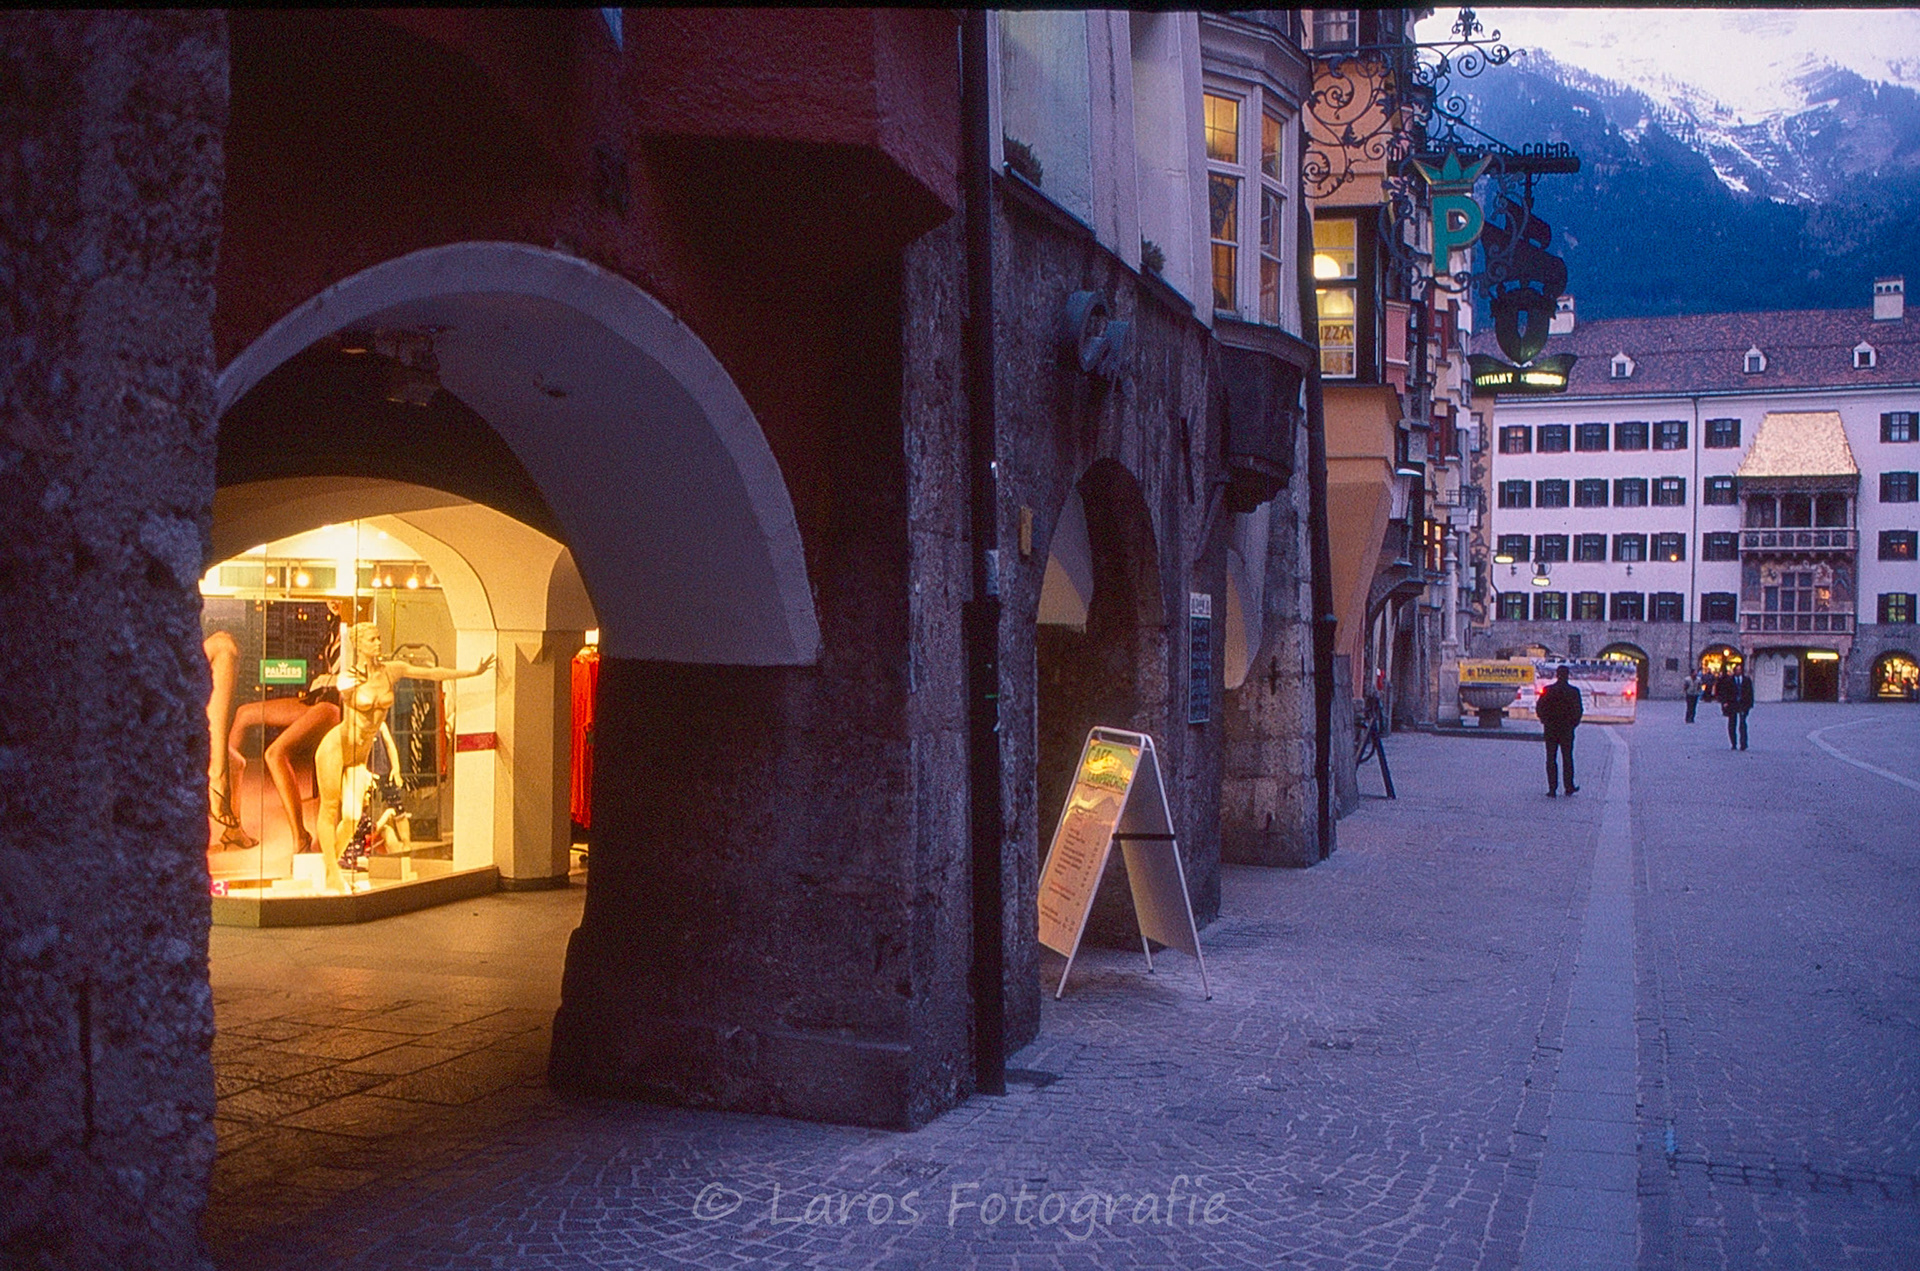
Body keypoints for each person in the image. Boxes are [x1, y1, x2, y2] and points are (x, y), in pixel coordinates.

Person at [314, 623, 494, 888]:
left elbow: (432, 673)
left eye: (379, 638)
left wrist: (471, 672)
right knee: (330, 808)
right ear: (359, 644)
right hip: (337, 747)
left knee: (351, 818)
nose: (378, 643)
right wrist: (348, 687)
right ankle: (332, 874)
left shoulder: (392, 670)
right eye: (372, 640)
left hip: (360, 755)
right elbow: (343, 690)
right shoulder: (350, 677)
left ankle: (330, 868)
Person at [1535, 665, 1584, 797]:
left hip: (1551, 729)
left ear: (1557, 675)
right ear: (1568, 675)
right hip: (1567, 729)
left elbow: (1540, 707)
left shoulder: (1548, 690)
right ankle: (1569, 786)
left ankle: (1552, 789)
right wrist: (1573, 724)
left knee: (1551, 758)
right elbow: (1578, 710)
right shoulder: (1574, 692)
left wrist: (1544, 720)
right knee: (1567, 758)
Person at [1720, 665, 1755, 750]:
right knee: (1732, 724)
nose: (1739, 671)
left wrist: (1750, 704)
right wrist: (1724, 702)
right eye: (1737, 670)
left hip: (1743, 704)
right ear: (1734, 671)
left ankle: (1743, 744)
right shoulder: (1729, 681)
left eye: (1740, 670)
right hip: (1732, 704)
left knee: (1743, 724)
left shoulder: (1746, 680)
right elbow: (1724, 692)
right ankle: (1734, 743)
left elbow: (1750, 692)